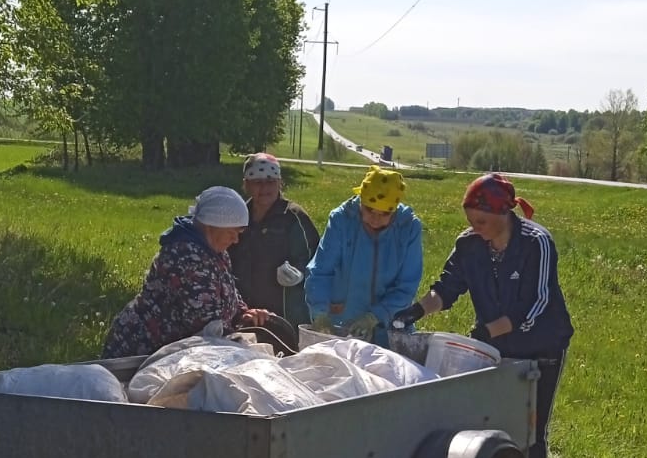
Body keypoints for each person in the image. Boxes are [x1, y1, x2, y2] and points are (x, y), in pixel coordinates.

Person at [393, 172, 573, 458]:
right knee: (490, 418)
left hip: (541, 346)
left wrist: (489, 332)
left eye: (481, 221)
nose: (475, 228)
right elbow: (446, 288)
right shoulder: (469, 245)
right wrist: (417, 309)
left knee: (531, 426)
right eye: (471, 221)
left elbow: (537, 303)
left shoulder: (536, 242)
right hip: (494, 345)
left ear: (503, 213)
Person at [102, 186, 277, 359]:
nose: (236, 239)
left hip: (174, 353)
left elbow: (227, 290)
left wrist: (244, 313)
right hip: (141, 350)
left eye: (239, 233)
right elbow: (204, 323)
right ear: (211, 226)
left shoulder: (216, 251)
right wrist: (243, 342)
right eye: (232, 232)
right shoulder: (186, 257)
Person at [305, 166, 423, 346]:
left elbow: (407, 286)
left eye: (384, 214)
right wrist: (320, 313)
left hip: (390, 327)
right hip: (344, 325)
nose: (375, 219)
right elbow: (320, 271)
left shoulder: (409, 227)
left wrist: (375, 316)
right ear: (360, 200)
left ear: (395, 210)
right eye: (369, 210)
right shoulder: (341, 220)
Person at [227, 153, 320, 329]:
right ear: (246, 184)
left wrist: (298, 273)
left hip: (286, 313)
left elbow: (316, 260)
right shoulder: (238, 216)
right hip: (244, 310)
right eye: (257, 182)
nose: (265, 188)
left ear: (279, 183)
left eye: (270, 181)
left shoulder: (293, 216)